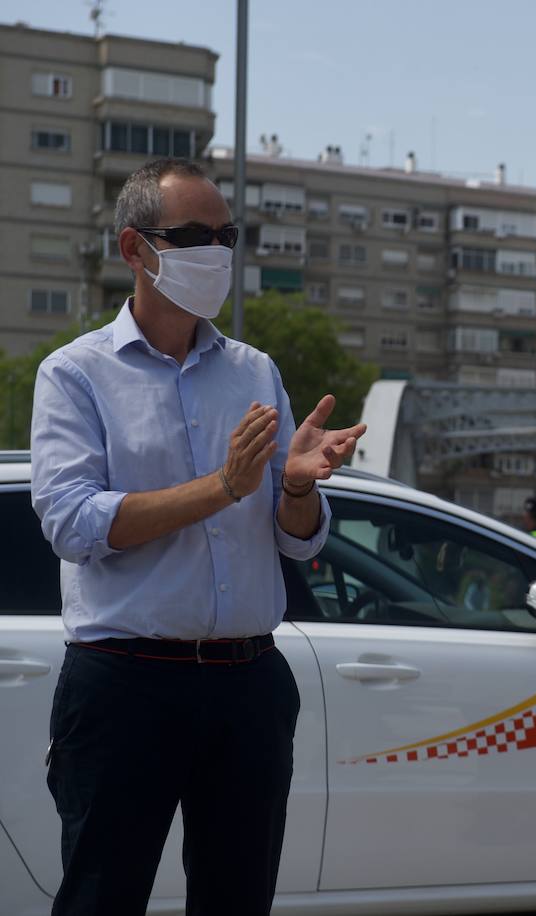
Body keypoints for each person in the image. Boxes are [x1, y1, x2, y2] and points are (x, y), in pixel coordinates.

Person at [29, 157, 366, 916]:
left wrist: (298, 487)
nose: (214, 251)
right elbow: (73, 524)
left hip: (249, 683)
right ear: (133, 248)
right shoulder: (75, 374)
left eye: (226, 235)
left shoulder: (253, 370)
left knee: (238, 899)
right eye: (191, 235)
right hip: (125, 684)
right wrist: (220, 488)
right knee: (101, 898)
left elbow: (299, 545)